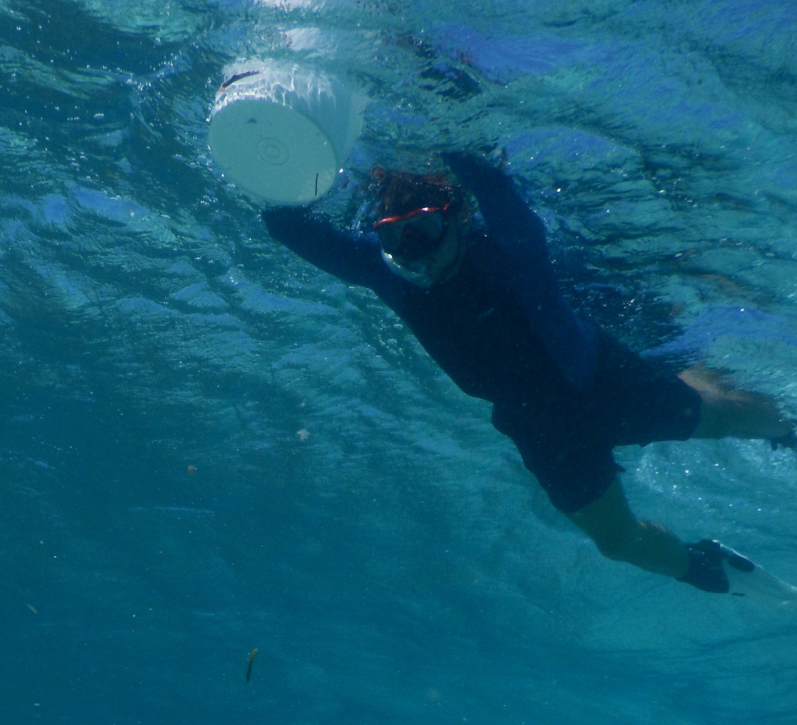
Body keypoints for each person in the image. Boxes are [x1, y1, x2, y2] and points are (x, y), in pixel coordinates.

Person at [263, 152, 794, 594]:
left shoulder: (510, 247)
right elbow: (287, 228)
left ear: (459, 217)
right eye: (394, 239)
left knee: (721, 417)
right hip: (537, 427)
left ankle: (785, 426)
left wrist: (440, 95)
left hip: (603, 385)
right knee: (615, 543)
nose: (412, 253)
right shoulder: (393, 278)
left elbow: (483, 172)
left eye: (423, 231)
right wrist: (271, 160)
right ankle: (697, 564)